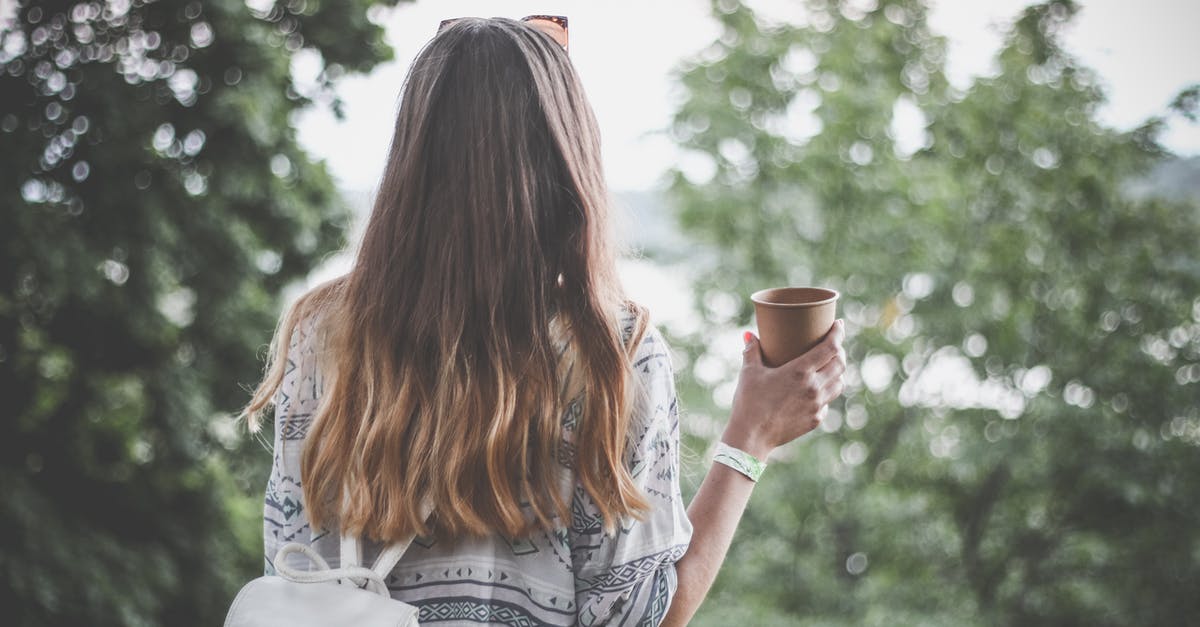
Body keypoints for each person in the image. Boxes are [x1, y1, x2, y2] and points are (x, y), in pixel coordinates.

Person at [239, 15, 846, 626]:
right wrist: (750, 437)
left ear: (412, 157)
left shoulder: (324, 332)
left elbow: (293, 572)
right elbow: (638, 619)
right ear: (565, 161)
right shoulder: (611, 353)